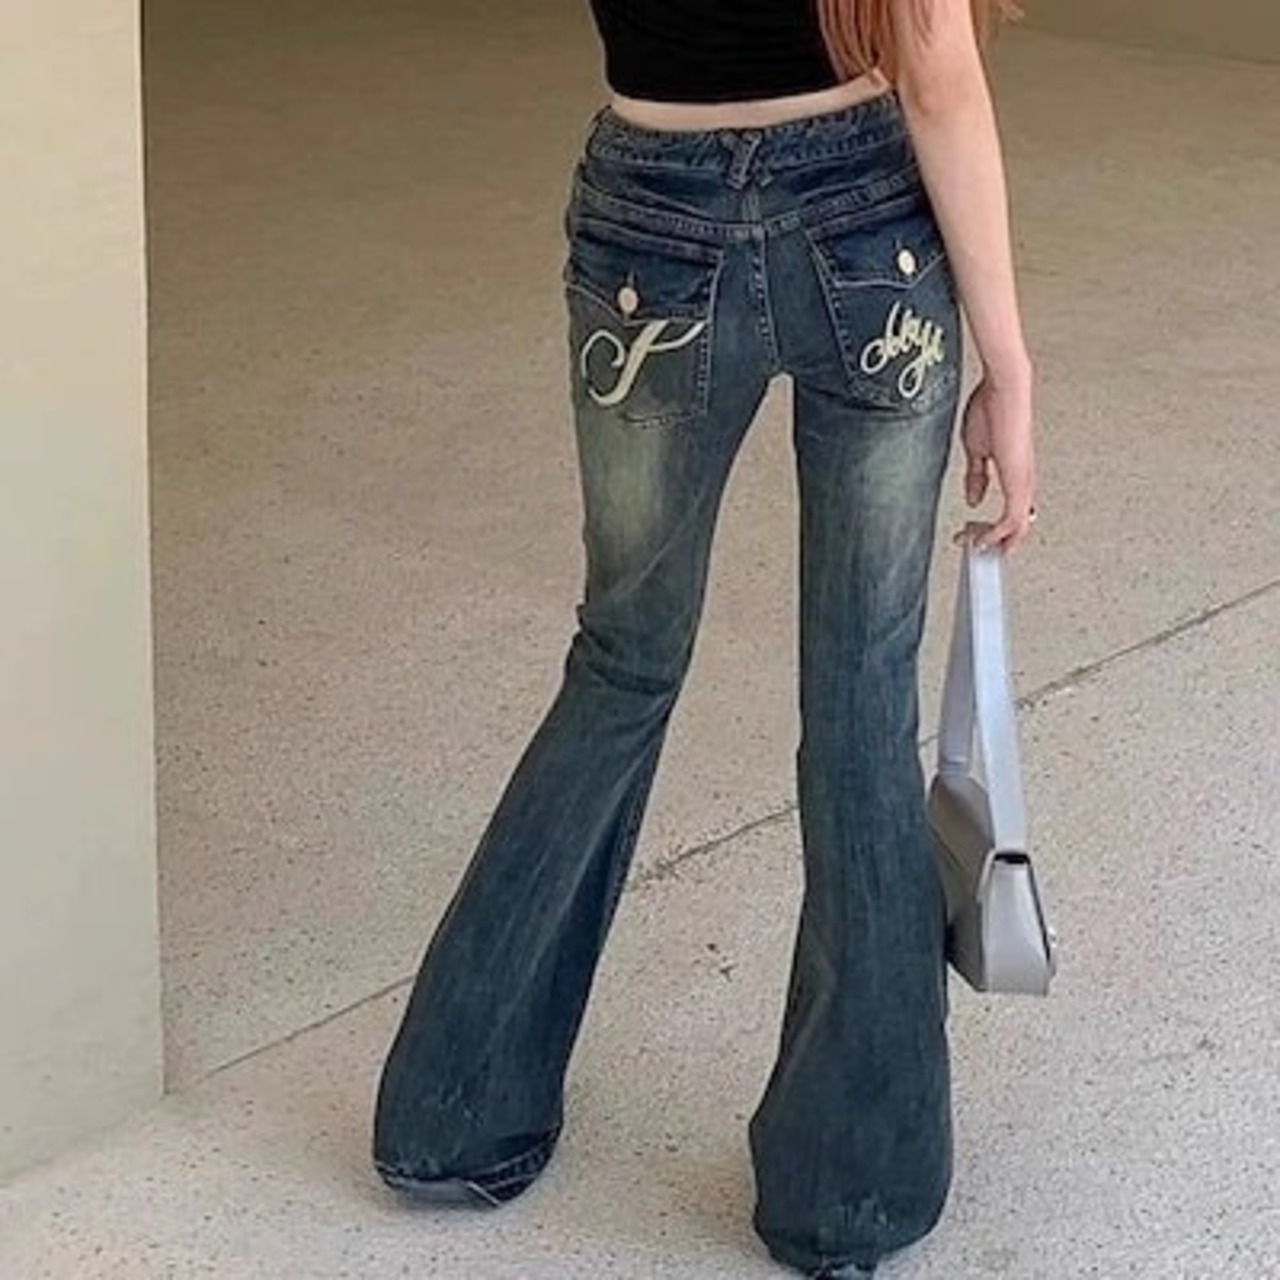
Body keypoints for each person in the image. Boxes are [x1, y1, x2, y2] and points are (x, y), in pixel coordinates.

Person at [373, 1, 1037, 1275]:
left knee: (620, 662)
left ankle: (451, 1117)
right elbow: (937, 74)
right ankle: (849, 1192)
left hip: (650, 216)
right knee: (860, 694)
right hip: (867, 226)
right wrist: (1007, 366)